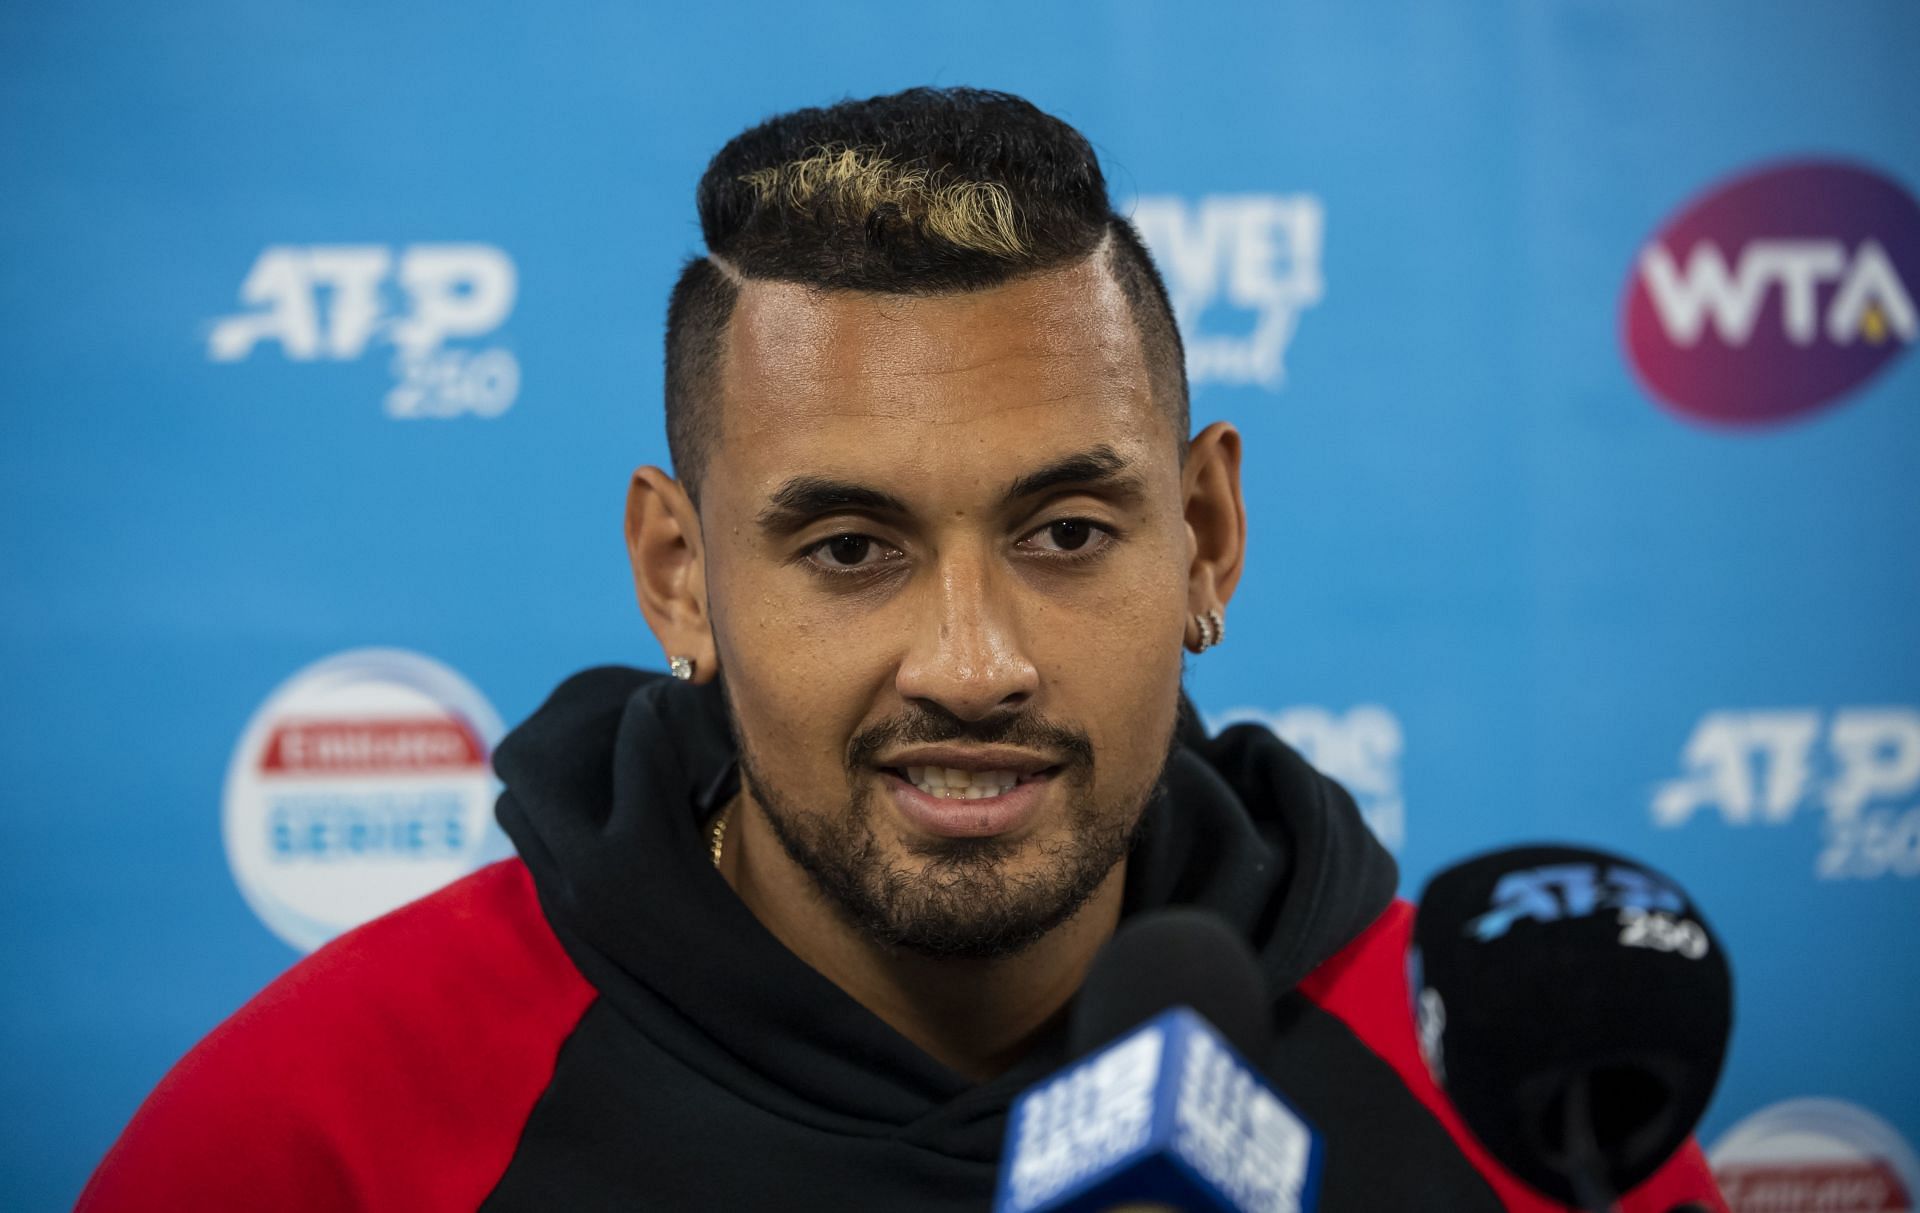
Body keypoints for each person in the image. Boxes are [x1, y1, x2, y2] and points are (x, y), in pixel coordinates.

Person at [78, 87, 1726, 1212]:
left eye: (1066, 532)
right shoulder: (321, 1130)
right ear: (680, 578)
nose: (973, 660)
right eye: (850, 549)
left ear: (1208, 538)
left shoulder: (1507, 1095)